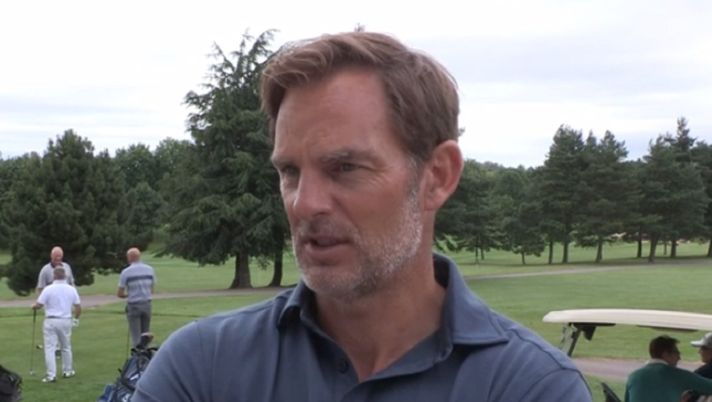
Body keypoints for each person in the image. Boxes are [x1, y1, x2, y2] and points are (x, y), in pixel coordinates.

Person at [133, 31, 590, 401]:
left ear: (436, 177)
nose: (304, 204)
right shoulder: (204, 367)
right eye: (290, 172)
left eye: (345, 168)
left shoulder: (529, 387)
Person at [625, 335, 712, 402]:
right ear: (665, 354)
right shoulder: (678, 375)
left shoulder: (633, 376)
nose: (679, 358)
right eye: (677, 353)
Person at [31, 267, 81, 383]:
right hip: (65, 320)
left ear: (54, 276)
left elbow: (39, 305)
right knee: (66, 347)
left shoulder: (48, 289)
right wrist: (76, 319)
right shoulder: (71, 289)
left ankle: (51, 375)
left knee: (50, 348)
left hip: (51, 320)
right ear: (65, 276)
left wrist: (34, 306)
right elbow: (78, 307)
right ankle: (67, 371)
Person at [117, 247, 156, 348]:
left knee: (136, 336)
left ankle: (137, 355)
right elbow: (151, 289)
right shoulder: (150, 269)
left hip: (134, 305)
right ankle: (146, 354)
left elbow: (120, 293)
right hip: (147, 304)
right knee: (145, 334)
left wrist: (129, 294)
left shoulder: (126, 272)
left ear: (130, 257)